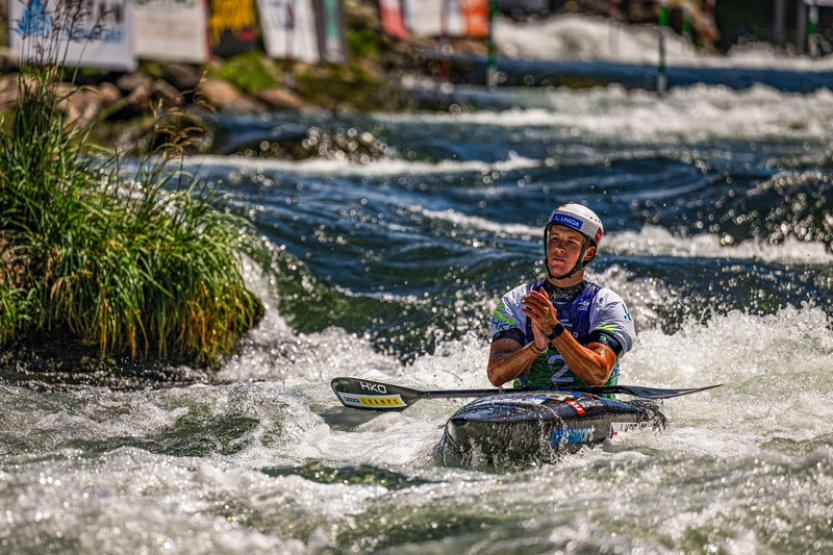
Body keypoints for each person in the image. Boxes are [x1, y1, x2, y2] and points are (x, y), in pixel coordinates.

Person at [487, 203, 635, 388]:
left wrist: (554, 330)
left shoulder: (607, 305)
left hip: (591, 406)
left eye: (570, 242)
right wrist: (536, 347)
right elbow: (496, 375)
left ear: (588, 254)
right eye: (554, 238)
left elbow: (599, 374)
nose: (558, 248)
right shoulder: (515, 301)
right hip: (530, 407)